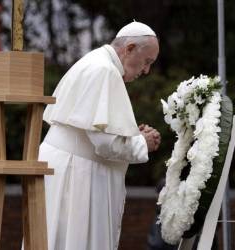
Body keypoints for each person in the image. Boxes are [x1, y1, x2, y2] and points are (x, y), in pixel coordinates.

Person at [40, 21, 161, 250]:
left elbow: (95, 129)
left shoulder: (95, 61)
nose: (146, 71)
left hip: (69, 168)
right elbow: (105, 144)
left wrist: (132, 135)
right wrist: (142, 143)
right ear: (130, 48)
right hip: (77, 176)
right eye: (147, 62)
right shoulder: (104, 70)